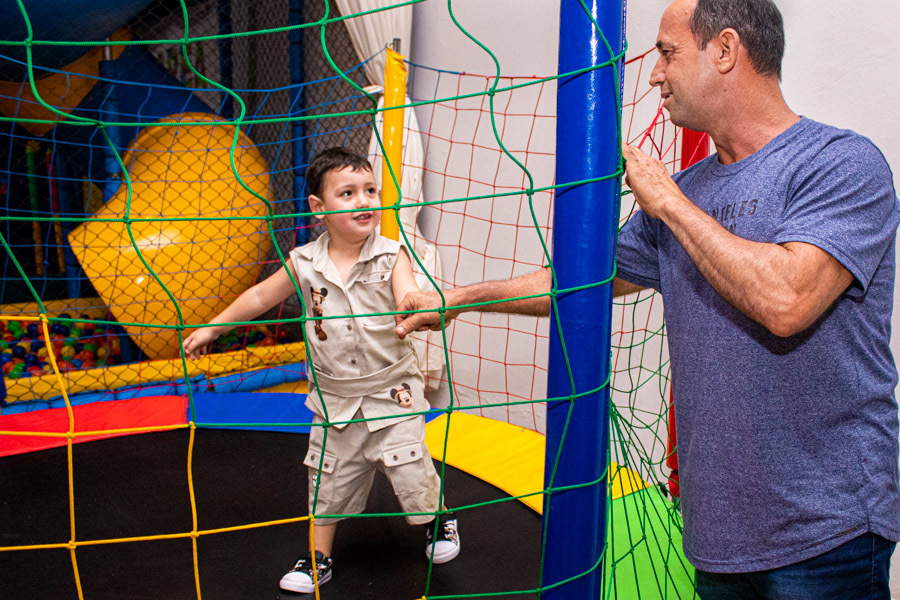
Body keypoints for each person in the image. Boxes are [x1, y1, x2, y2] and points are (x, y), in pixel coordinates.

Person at [395, 0, 900, 597]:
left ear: (726, 50)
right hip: (719, 541)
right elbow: (578, 284)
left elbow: (786, 302)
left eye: (667, 53)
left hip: (826, 535)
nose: (655, 73)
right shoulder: (690, 189)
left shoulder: (838, 163)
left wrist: (667, 202)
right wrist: (457, 298)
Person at [184, 147, 460, 594]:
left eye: (370, 191)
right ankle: (317, 558)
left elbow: (407, 290)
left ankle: (437, 520)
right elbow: (258, 298)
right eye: (347, 193)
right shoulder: (303, 263)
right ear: (319, 208)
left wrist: (414, 303)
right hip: (335, 399)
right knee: (326, 478)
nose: (364, 200)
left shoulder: (392, 256)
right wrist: (212, 328)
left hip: (392, 391)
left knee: (410, 466)